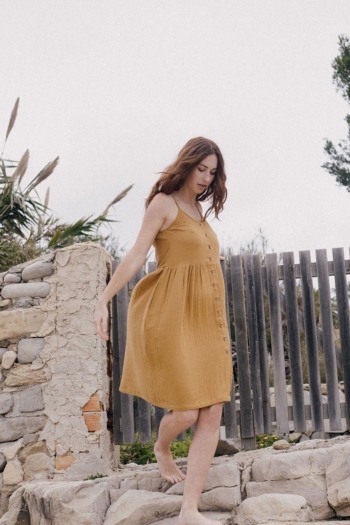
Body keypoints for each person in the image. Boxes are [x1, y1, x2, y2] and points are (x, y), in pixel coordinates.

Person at [94, 136, 233, 525]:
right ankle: (161, 445)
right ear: (186, 164)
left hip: (209, 321)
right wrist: (103, 299)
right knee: (188, 410)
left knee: (212, 410)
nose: (206, 178)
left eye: (212, 172)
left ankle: (190, 509)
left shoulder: (199, 212)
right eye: (200, 168)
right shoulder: (164, 203)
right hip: (172, 316)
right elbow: (139, 253)